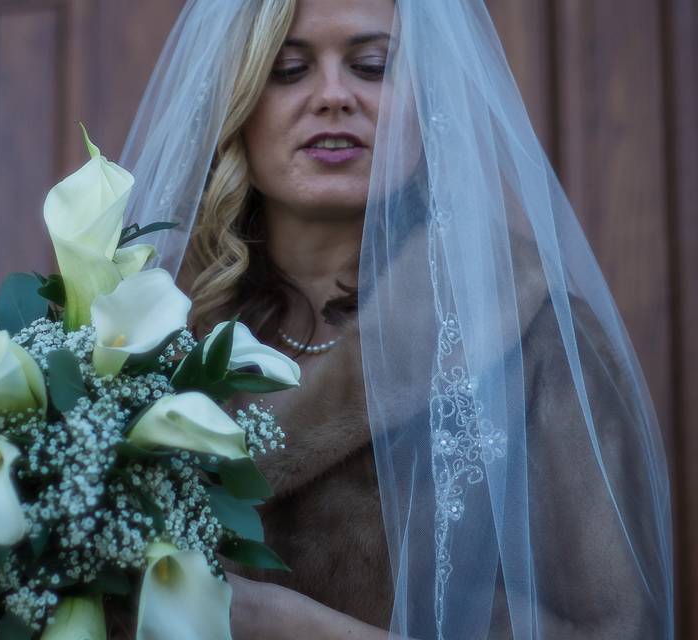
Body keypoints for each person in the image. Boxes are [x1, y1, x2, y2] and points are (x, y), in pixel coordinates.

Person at [117, 0, 674, 638]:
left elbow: (621, 628)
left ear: (427, 103)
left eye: (373, 66)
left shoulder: (534, 334)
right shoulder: (137, 336)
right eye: (289, 69)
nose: (332, 96)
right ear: (235, 104)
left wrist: (294, 627)